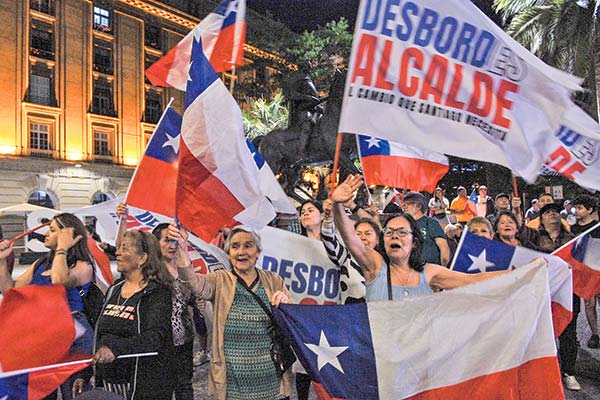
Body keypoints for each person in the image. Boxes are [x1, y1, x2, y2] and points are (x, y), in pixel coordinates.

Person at [332, 175, 508, 302]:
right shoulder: (375, 266)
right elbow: (350, 239)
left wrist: (526, 273)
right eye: (389, 231)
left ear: (414, 241)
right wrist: (337, 204)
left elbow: (474, 281)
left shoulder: (430, 272)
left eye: (402, 232)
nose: (395, 235)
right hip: (381, 352)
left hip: (421, 352)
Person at [172, 224, 293, 400]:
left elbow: (293, 316)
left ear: (258, 252)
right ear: (229, 253)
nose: (241, 251)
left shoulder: (273, 280)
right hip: (233, 382)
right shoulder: (220, 279)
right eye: (235, 247)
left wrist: (286, 301)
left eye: (248, 245)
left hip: (272, 378)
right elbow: (193, 282)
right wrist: (183, 250)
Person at [0, 213, 94, 400]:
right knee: (41, 393)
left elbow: (59, 280)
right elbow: (9, 289)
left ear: (68, 235)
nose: (45, 234)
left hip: (72, 336)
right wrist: (2, 261)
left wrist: (62, 248)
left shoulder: (83, 265)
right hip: (44, 337)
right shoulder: (41, 264)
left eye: (52, 230)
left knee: (72, 392)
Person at [89, 229, 175, 399]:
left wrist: (115, 348)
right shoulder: (114, 289)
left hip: (143, 386)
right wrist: (89, 372)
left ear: (142, 258)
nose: (118, 252)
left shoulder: (157, 292)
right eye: (119, 247)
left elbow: (154, 337)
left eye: (125, 248)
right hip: (109, 385)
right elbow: (101, 334)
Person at [533, 203, 580, 392]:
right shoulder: (533, 238)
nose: (552, 213)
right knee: (544, 334)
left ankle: (569, 372)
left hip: (567, 293)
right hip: (542, 293)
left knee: (569, 333)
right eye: (547, 212)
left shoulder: (572, 239)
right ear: (541, 219)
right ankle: (547, 373)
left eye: (555, 211)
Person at [571, 195, 600, 349]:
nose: (577, 211)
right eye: (576, 207)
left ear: (589, 210)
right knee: (589, 304)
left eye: (581, 208)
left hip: (598, 269)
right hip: (585, 272)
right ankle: (595, 334)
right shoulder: (573, 229)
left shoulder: (598, 227)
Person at [402, 191, 450, 267]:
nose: (404, 207)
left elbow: (444, 247)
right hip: (409, 271)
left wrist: (443, 269)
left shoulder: (430, 223)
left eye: (407, 204)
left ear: (418, 206)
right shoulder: (403, 225)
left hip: (430, 270)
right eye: (403, 204)